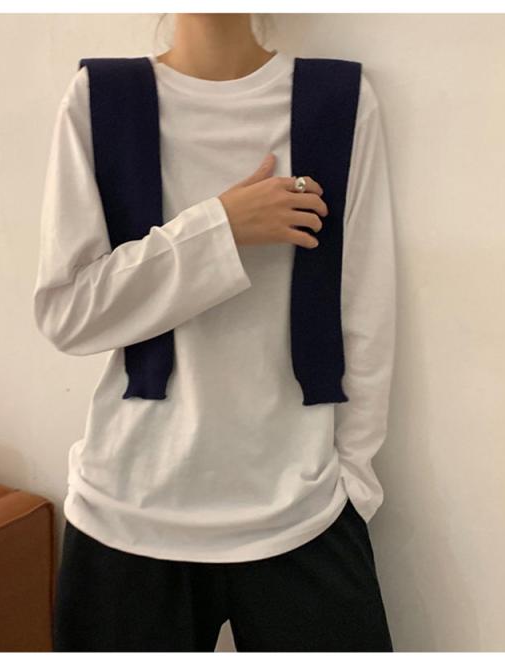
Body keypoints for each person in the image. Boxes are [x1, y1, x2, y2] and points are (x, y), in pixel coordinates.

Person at [33, 13, 396, 652]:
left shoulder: (338, 100)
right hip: (126, 512)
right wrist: (220, 229)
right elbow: (68, 312)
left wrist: (354, 486)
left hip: (303, 509)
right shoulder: (102, 99)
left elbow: (364, 309)